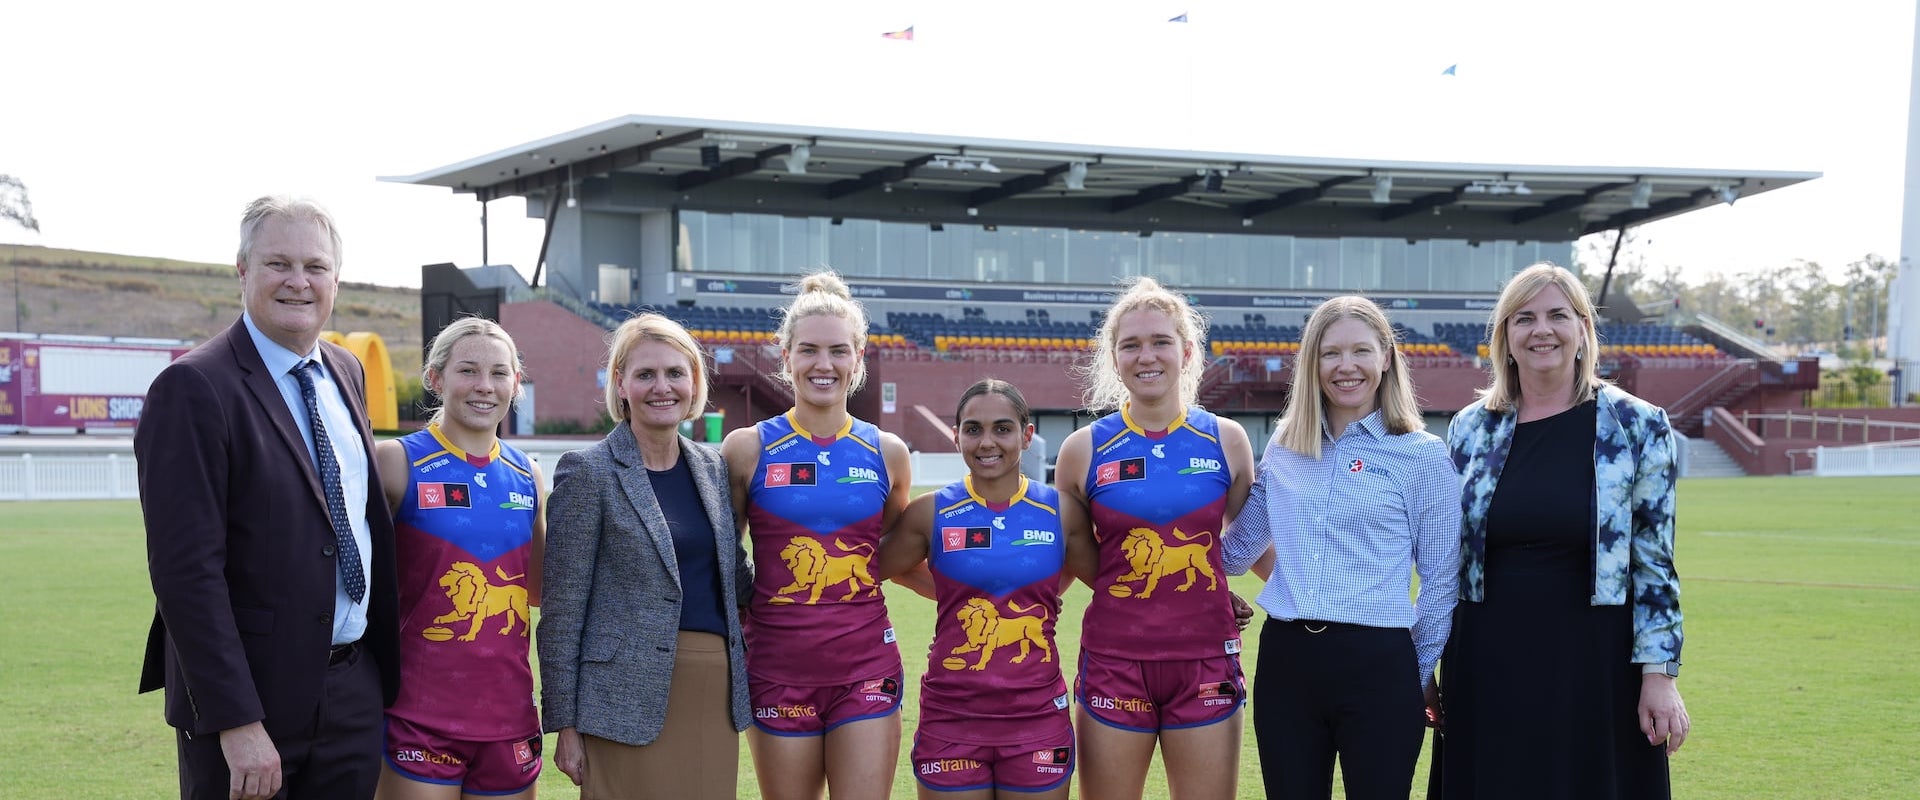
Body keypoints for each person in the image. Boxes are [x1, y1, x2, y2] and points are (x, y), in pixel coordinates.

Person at [137, 195, 400, 800]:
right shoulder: (194, 386)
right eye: (278, 263)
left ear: (336, 278)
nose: (298, 282)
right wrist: (236, 720)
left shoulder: (345, 370)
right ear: (242, 270)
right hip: (252, 703)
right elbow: (185, 573)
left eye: (315, 266)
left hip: (352, 689)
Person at [1433, 263, 1689, 799]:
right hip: (1486, 659)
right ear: (1504, 336)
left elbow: (1654, 558)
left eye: (1557, 315)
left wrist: (1659, 674)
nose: (1541, 330)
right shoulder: (1470, 429)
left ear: (1583, 331)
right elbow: (1445, 561)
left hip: (1596, 663)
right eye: (1523, 318)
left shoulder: (1637, 425)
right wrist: (1425, 656)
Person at [1219, 296, 1460, 799]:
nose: (1345, 367)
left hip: (1381, 665)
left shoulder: (1422, 455)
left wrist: (1410, 671)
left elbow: (1442, 579)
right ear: (1312, 363)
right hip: (1288, 662)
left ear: (1386, 357)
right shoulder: (1287, 444)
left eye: (1361, 351)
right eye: (1330, 353)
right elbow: (1237, 552)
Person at [1052, 276, 1256, 800]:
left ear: (1186, 352)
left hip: (1206, 660)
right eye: (1132, 344)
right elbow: (1074, 560)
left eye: (1161, 341)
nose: (1148, 355)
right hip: (1114, 661)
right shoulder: (1082, 451)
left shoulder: (1227, 441)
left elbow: (1245, 546)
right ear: (1114, 358)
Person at [538, 313, 753, 800]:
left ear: (694, 382)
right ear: (621, 384)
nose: (663, 387)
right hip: (619, 701)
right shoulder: (587, 472)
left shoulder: (712, 467)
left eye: (675, 373)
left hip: (712, 693)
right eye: (645, 374)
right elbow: (563, 609)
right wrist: (565, 724)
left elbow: (733, 576)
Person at [720, 270, 913, 800]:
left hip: (866, 667)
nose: (823, 365)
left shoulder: (887, 452)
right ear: (785, 357)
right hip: (777, 669)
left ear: (859, 357)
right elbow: (722, 559)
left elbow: (898, 556)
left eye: (837, 351)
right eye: (808, 350)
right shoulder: (746, 448)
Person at [877, 379, 1076, 800]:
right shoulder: (930, 513)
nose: (987, 442)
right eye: (973, 429)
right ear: (956, 436)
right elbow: (875, 570)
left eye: (1002, 428)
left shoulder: (1060, 510)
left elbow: (1115, 575)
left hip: (1037, 716)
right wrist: (955, 594)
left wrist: (1214, 592)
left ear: (1027, 435)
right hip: (952, 716)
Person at [372, 317, 546, 799]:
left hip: (509, 716)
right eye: (468, 371)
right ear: (435, 377)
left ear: (515, 382)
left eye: (499, 373)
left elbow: (538, 590)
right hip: (417, 715)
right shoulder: (395, 462)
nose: (484, 387)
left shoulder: (527, 475)